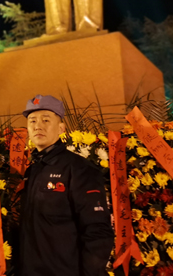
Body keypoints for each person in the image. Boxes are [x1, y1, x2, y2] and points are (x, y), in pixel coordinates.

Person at [19, 94, 114, 275]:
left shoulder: (79, 168)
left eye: (46, 120)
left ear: (61, 128)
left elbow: (97, 231)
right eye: (32, 121)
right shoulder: (31, 171)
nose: (38, 126)